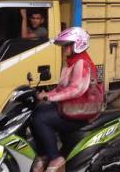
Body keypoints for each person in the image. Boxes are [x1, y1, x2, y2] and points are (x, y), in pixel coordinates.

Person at [31, 27, 102, 172]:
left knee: (41, 119)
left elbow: (75, 90)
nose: (64, 49)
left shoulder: (82, 63)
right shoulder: (70, 62)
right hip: (69, 107)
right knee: (36, 111)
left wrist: (49, 96)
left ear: (77, 45)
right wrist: (46, 94)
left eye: (66, 46)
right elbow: (62, 87)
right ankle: (43, 154)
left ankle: (55, 158)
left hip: (81, 110)